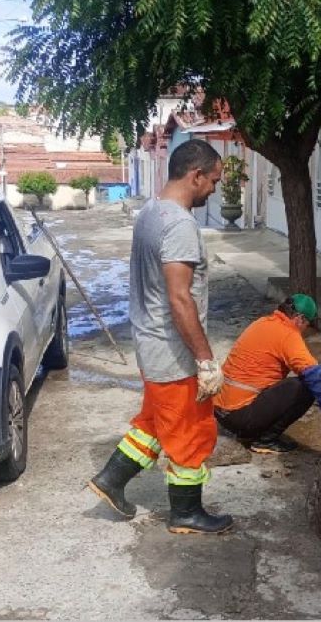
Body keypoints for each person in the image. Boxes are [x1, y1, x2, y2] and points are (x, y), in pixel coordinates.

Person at [88, 139, 232, 535]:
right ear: (196, 175)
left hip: (151, 345)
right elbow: (179, 298)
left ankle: (111, 480)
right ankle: (186, 513)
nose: (214, 190)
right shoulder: (180, 224)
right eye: (213, 181)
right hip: (173, 353)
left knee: (153, 422)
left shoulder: (150, 211)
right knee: (190, 433)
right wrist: (205, 360)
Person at [213, 294, 321, 454]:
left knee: (289, 382)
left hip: (220, 411)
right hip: (240, 418)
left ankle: (254, 431)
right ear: (300, 319)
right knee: (305, 387)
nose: (305, 330)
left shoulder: (261, 323)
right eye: (307, 324)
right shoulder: (288, 334)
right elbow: (317, 380)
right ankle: (265, 440)